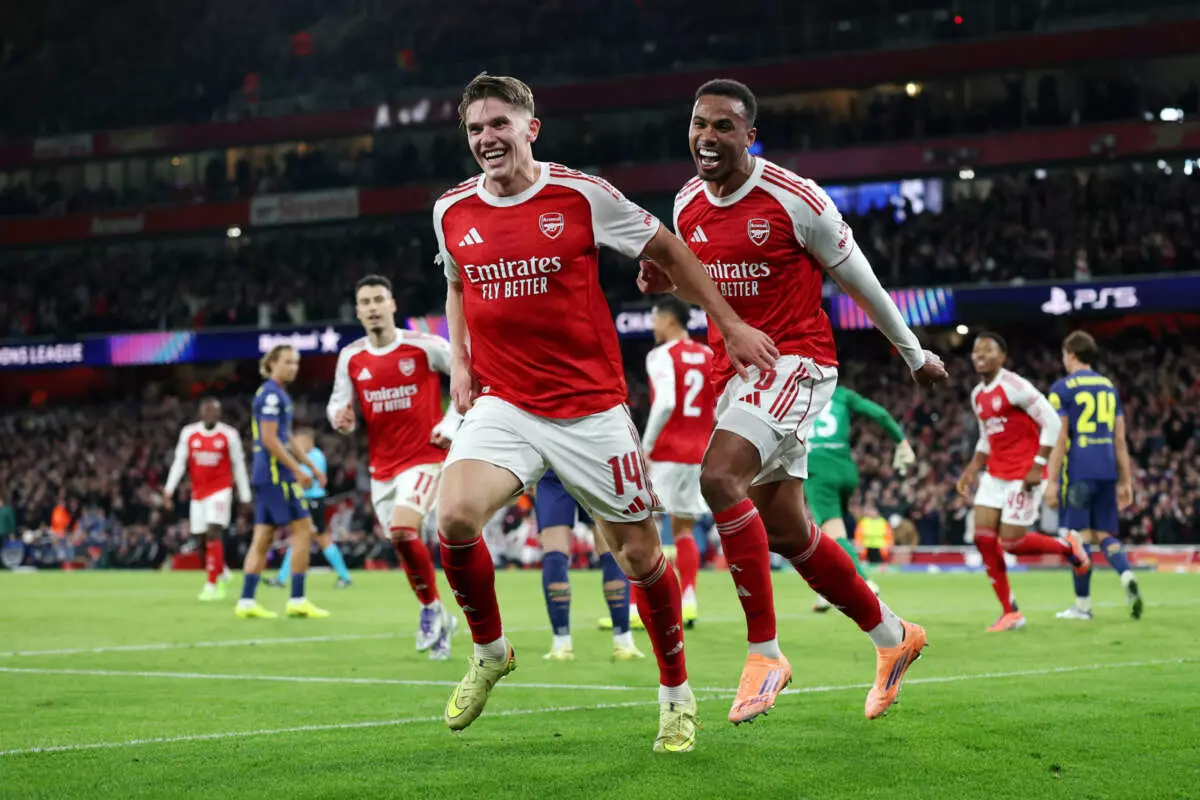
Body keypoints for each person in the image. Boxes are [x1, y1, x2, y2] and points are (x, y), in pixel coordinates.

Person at [432, 73, 777, 753]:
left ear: (531, 127)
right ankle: (492, 650)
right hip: (505, 403)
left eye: (499, 124)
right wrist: (463, 363)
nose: (486, 139)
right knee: (454, 516)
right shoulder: (451, 210)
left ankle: (676, 695)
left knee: (642, 557)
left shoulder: (580, 195)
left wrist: (729, 323)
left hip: (590, 411)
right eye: (475, 129)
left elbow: (670, 249)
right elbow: (455, 286)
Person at [639, 78, 942, 724]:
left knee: (718, 476)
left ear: (751, 136)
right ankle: (894, 638)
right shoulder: (687, 202)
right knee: (788, 528)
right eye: (699, 125)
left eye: (724, 126)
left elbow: (859, 279)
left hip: (798, 361)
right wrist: (665, 279)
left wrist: (913, 353)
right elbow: (707, 289)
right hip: (738, 373)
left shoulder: (795, 199)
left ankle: (766, 652)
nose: (708, 137)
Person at [328, 274, 462, 661]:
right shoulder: (351, 357)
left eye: (377, 300)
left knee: (405, 530)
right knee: (401, 543)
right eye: (364, 302)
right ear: (358, 311)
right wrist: (341, 417)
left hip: (424, 458)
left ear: (392, 305)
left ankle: (431, 611)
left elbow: (469, 377)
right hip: (381, 468)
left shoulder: (424, 346)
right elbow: (339, 404)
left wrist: (451, 424)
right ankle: (436, 613)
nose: (371, 307)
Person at [955, 332, 1089, 632]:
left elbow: (1052, 422)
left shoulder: (1015, 386)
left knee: (1013, 543)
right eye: (976, 350)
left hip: (1023, 475)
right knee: (984, 537)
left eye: (987, 349)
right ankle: (1010, 612)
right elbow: (986, 438)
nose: (979, 354)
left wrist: (1038, 465)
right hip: (995, 474)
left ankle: (1068, 547)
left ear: (1002, 357)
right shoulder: (978, 395)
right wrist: (971, 470)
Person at [1046, 330, 1143, 620]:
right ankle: (1125, 574)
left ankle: (1083, 606)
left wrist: (1050, 480)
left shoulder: (1062, 389)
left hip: (1079, 469)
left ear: (1072, 354)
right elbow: (1120, 439)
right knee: (1105, 534)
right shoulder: (1109, 387)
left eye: (1064, 354)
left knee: (1080, 539)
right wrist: (1126, 481)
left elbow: (1060, 438)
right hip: (1107, 469)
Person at [236, 345, 329, 619]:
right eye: (288, 362)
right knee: (304, 530)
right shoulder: (271, 396)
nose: (293, 367)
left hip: (268, 476)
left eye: (296, 362)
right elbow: (269, 439)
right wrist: (297, 471)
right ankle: (297, 598)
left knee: (263, 537)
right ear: (273, 363)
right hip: (277, 476)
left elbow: (286, 437)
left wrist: (310, 465)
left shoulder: (277, 395)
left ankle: (246, 601)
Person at [807, 386, 915, 612]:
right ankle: (827, 593)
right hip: (846, 469)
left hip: (817, 467)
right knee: (829, 535)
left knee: (833, 533)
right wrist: (901, 441)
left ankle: (864, 580)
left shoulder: (795, 390)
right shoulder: (842, 393)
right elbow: (880, 414)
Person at [536, 469, 643, 661]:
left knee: (555, 552)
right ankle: (623, 642)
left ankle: (561, 645)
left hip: (553, 467)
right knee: (609, 550)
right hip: (593, 463)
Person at [162, 397, 250, 601]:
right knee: (200, 538)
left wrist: (245, 496)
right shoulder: (189, 433)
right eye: (207, 411)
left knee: (213, 533)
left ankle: (212, 584)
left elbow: (238, 464)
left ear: (219, 414)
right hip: (198, 493)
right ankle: (221, 569)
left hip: (221, 491)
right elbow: (179, 463)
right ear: (201, 413)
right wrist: (169, 490)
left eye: (215, 411)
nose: (211, 414)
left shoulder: (229, 434)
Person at [272, 428, 354, 590]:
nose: (297, 445)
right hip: (307, 501)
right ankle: (281, 578)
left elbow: (307, 482)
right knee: (301, 539)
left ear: (309, 441)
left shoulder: (315, 457)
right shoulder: (306, 457)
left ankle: (345, 577)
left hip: (313, 501)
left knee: (319, 540)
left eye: (300, 441)